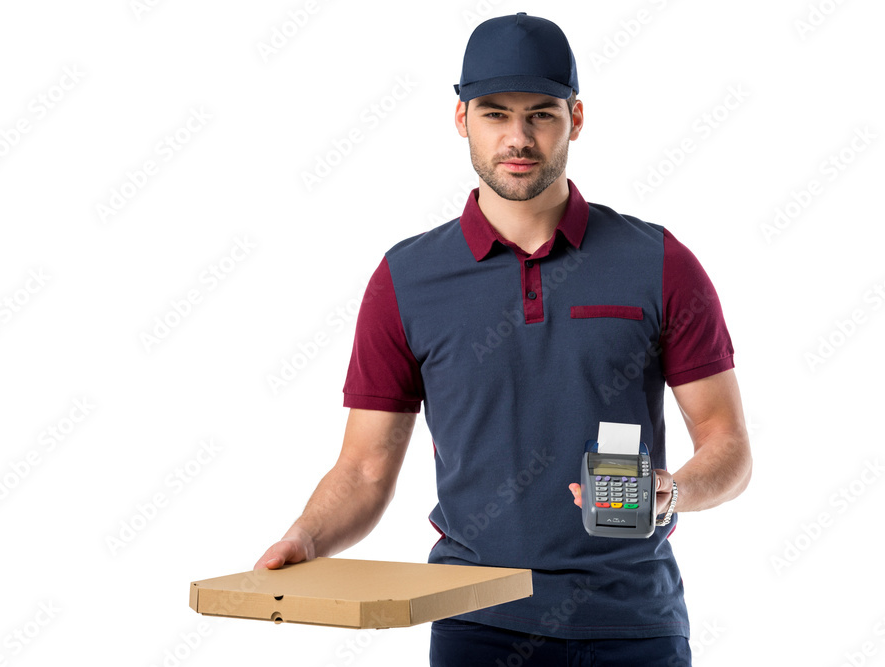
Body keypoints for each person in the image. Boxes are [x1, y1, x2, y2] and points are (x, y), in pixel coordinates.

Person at [255, 12, 751, 666]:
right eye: (495, 113)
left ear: (576, 118)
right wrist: (307, 537)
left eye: (540, 114)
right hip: (473, 625)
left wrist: (674, 490)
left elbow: (728, 444)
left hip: (632, 625)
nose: (518, 137)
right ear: (461, 119)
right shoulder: (407, 278)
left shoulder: (657, 262)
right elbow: (366, 467)